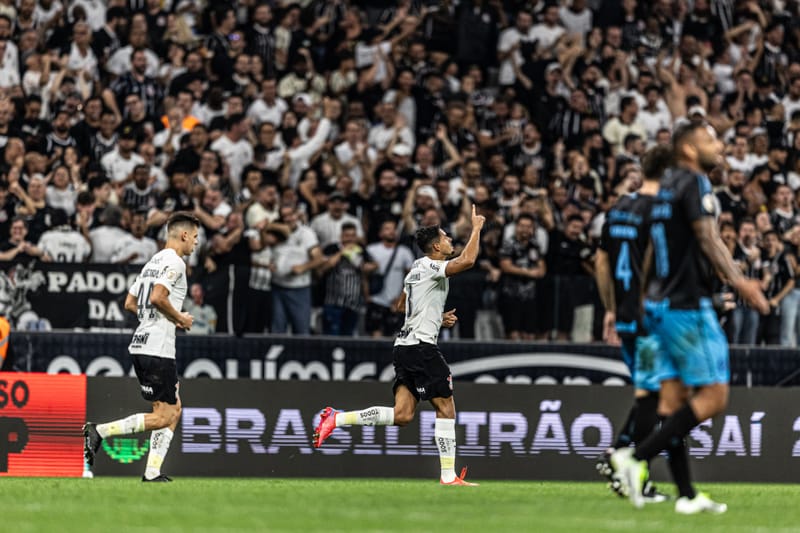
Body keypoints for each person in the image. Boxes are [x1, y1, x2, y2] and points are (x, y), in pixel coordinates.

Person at [611, 123, 769, 513]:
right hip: (687, 306)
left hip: (659, 307)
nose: (720, 145)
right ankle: (635, 457)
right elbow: (709, 237)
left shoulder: (663, 191)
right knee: (714, 396)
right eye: (710, 139)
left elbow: (649, 254)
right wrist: (741, 281)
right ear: (688, 149)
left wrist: (645, 301)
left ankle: (686, 496)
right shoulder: (695, 183)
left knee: (671, 403)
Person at [313, 205, 485, 486]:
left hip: (404, 346)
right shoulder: (431, 265)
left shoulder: (416, 267)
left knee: (403, 415)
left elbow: (402, 304)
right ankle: (447, 476)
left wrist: (434, 317)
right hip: (421, 347)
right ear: (436, 246)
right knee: (446, 408)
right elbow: (467, 261)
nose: (451, 240)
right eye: (446, 237)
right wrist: (477, 228)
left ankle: (336, 419)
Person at [82, 212, 199, 482]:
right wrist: (179, 317)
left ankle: (152, 472)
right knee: (164, 416)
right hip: (157, 349)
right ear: (183, 235)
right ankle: (99, 431)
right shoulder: (175, 262)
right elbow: (158, 297)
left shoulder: (152, 262)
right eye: (194, 237)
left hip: (143, 344)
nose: (195, 243)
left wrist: (154, 318)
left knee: (173, 410)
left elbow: (130, 303)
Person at [594, 145, 673, 502]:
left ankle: (622, 457)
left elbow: (601, 261)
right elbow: (654, 266)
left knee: (651, 395)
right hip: (649, 319)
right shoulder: (659, 211)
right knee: (654, 399)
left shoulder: (618, 208)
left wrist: (610, 308)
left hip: (624, 316)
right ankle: (628, 465)